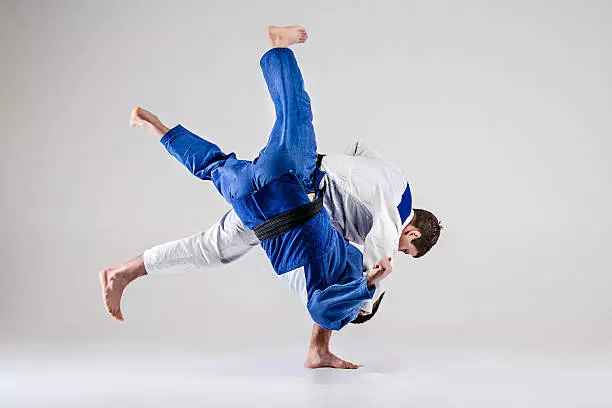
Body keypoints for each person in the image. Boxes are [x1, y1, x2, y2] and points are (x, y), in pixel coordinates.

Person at [101, 25, 441, 369]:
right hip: (293, 180)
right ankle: (275, 47)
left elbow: (360, 148)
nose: (400, 250)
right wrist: (367, 296)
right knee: (243, 150)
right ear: (412, 232)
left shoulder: (397, 180)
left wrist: (344, 178)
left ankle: (126, 268)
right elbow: (379, 258)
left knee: (216, 242)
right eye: (406, 249)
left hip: (288, 196)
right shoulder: (392, 219)